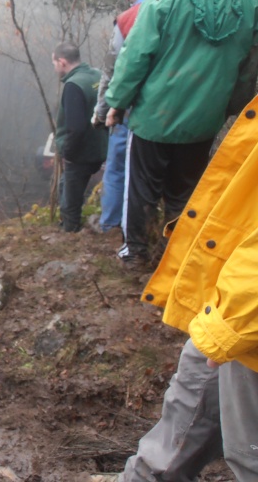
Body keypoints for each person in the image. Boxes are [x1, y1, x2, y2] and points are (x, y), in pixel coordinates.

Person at [109, 94, 258, 481]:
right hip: (230, 293)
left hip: (244, 311)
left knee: (250, 457)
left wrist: (234, 320)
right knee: (182, 418)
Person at [105, 0, 258, 266]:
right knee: (186, 192)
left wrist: (117, 102)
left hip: (155, 115)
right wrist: (230, 107)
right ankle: (179, 258)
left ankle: (136, 254)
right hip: (205, 118)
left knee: (141, 187)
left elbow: (136, 55)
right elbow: (250, 63)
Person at [92, 0, 162, 233]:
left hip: (132, 110)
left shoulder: (130, 18)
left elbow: (112, 71)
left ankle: (112, 227)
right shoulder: (185, 6)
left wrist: (103, 111)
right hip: (177, 110)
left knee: (118, 167)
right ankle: (153, 229)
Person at [52, 42, 108, 232]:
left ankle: (70, 232)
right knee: (64, 186)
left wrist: (67, 152)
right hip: (103, 146)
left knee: (70, 200)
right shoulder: (98, 75)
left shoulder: (73, 85)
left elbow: (75, 128)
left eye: (54, 64)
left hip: (81, 152)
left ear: (62, 62)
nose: (55, 68)